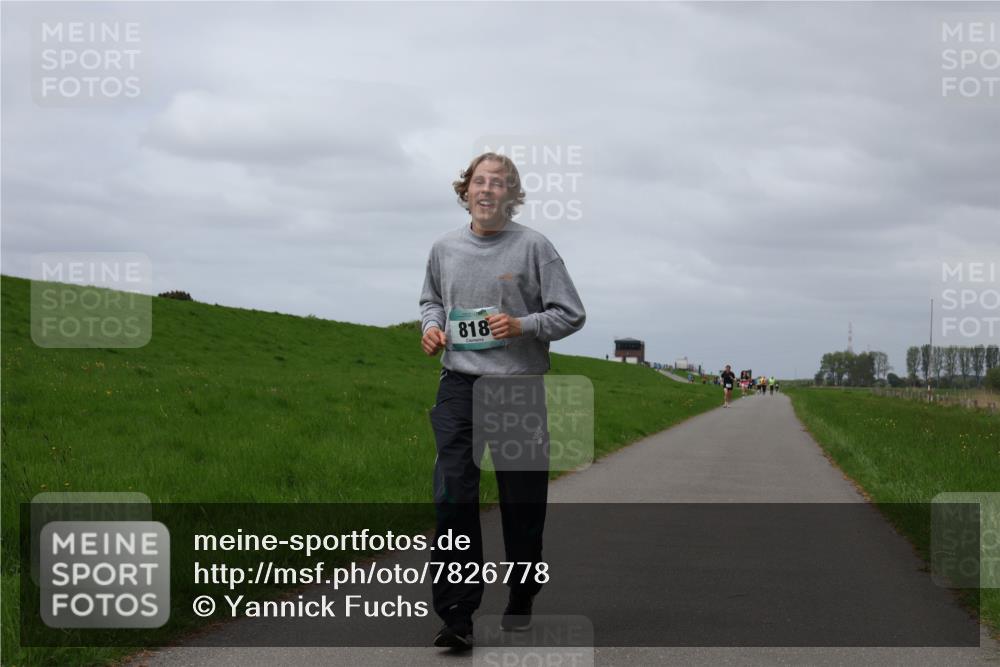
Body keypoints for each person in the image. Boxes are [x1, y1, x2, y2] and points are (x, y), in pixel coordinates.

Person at [419, 152, 586, 650]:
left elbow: (571, 313)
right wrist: (431, 326)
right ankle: (457, 616)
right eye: (479, 181)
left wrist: (523, 325)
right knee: (453, 494)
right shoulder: (444, 248)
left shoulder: (536, 247)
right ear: (465, 190)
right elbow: (431, 299)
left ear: (512, 196)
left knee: (522, 503)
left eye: (499, 183)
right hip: (459, 387)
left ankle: (522, 588)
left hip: (517, 387)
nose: (487, 190)